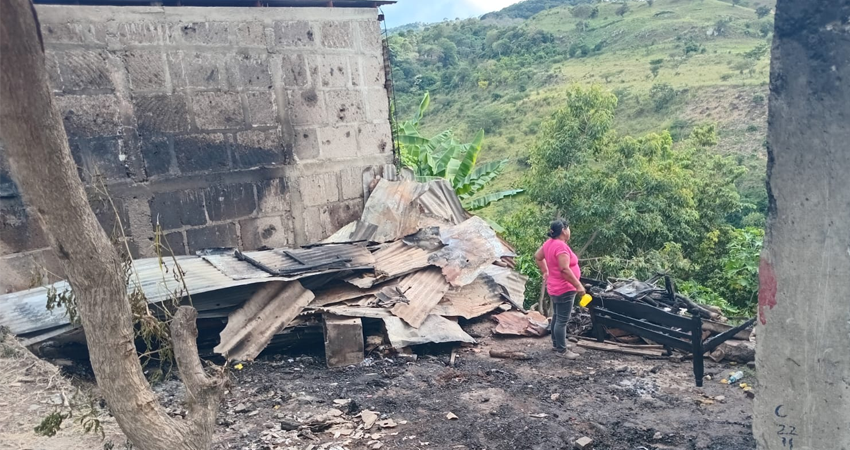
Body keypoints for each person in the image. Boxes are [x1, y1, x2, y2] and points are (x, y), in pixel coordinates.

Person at [534, 219, 585, 359]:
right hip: (564, 288)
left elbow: (538, 257)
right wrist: (578, 286)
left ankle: (557, 344)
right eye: (569, 229)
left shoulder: (549, 243)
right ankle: (562, 350)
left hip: (554, 286)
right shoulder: (561, 247)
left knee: (557, 316)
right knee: (562, 320)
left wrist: (545, 271)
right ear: (564, 230)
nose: (570, 231)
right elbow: (564, 269)